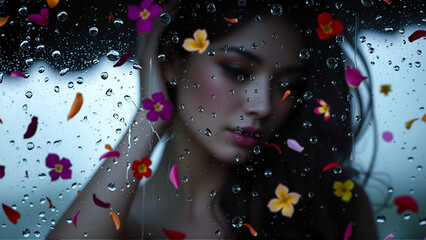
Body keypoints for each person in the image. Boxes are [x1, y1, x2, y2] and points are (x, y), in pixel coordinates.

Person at [48, 0, 377, 239]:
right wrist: (150, 117)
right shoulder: (118, 224)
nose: (263, 105)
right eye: (237, 72)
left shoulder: (325, 208)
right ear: (171, 61)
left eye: (286, 86)